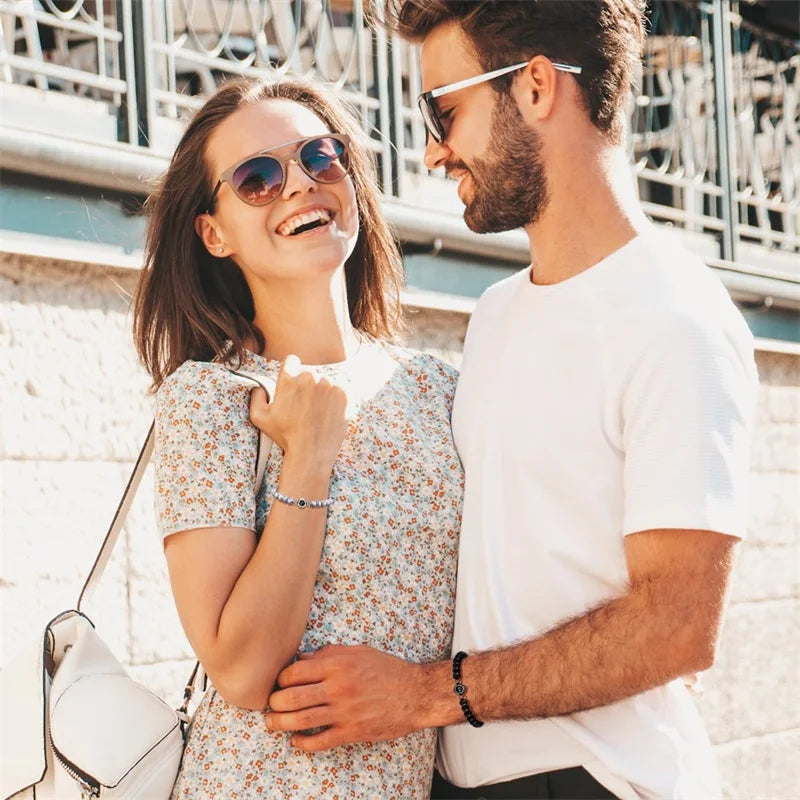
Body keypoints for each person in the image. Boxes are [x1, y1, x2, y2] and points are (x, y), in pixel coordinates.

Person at [259, 3, 760, 799]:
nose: (431, 150)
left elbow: (677, 627)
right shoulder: (495, 315)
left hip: (599, 780)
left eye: (443, 110)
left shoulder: (677, 319)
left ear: (533, 87)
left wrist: (420, 694)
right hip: (471, 775)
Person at [132, 76, 463, 799]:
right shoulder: (212, 399)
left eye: (320, 156)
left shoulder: (440, 389)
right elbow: (243, 670)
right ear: (213, 233)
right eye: (256, 178)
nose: (299, 185)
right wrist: (308, 459)